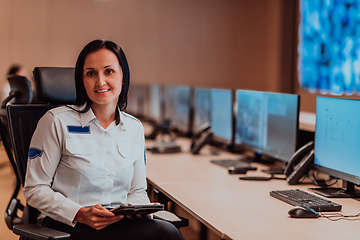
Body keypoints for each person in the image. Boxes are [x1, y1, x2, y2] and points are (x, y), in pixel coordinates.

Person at [23, 39, 185, 240]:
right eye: (91, 73)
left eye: (109, 71)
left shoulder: (134, 128)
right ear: (82, 80)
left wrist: (138, 210)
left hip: (117, 224)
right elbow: (34, 189)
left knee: (167, 233)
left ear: (123, 77)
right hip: (67, 226)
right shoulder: (55, 121)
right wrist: (81, 214)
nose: (100, 81)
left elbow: (137, 190)